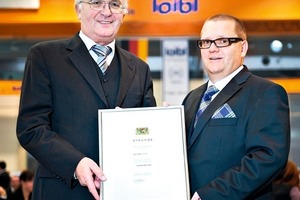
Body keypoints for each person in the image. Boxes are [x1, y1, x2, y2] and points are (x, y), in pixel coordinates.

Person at [16, 0, 156, 199]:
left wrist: (161, 127)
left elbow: (147, 133)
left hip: (125, 192)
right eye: (97, 3)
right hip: (62, 191)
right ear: (78, 10)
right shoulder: (45, 57)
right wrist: (75, 163)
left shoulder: (140, 69)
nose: (106, 11)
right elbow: (30, 128)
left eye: (115, 4)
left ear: (123, 14)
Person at [182, 14, 291, 199]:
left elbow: (267, 158)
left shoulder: (265, 93)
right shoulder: (191, 98)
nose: (212, 49)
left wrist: (208, 195)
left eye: (222, 41)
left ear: (243, 48)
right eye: (206, 42)